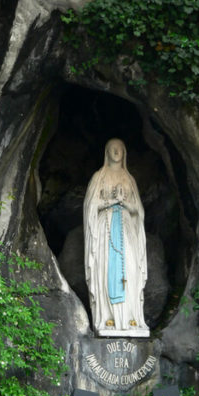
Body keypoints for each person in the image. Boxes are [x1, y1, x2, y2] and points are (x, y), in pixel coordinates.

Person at [84, 138, 148, 334]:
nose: (116, 151)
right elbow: (90, 206)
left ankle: (131, 318)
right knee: (106, 269)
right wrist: (111, 201)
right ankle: (108, 318)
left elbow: (139, 210)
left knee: (130, 268)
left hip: (127, 229)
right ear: (106, 152)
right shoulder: (99, 177)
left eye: (120, 148)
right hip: (105, 229)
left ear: (125, 152)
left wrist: (125, 203)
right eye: (112, 148)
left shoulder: (129, 179)